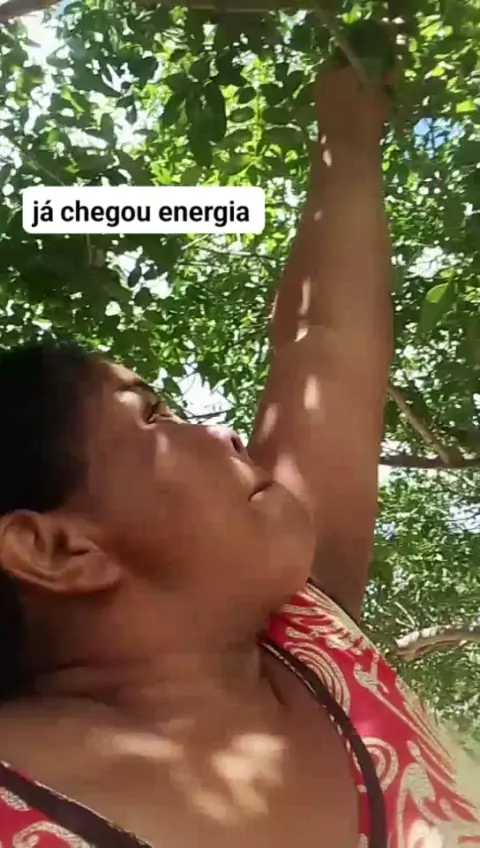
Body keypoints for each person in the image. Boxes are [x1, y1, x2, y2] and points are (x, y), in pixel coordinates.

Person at [0, 66, 478, 848]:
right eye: (152, 416)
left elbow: (323, 344)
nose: (221, 433)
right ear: (55, 548)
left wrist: (350, 129)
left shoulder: (311, 635)